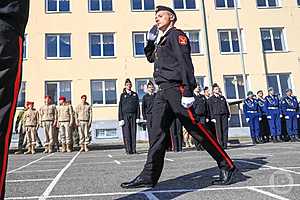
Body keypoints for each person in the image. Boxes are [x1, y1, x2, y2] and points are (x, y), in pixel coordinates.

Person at [121, 6, 238, 189]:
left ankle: (227, 165)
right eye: (156, 16)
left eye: (160, 15)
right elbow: (151, 58)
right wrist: (150, 42)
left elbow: (185, 62)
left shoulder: (177, 35)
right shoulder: (162, 39)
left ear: (172, 17)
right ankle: (148, 176)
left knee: (196, 130)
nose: (157, 19)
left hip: (177, 89)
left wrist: (189, 90)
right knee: (157, 133)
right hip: (162, 91)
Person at [118, 79, 141, 154]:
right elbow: (120, 107)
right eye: (127, 84)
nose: (129, 86)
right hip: (125, 116)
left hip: (133, 115)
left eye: (130, 84)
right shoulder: (123, 95)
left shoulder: (135, 94)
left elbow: (138, 106)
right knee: (127, 133)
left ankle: (133, 149)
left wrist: (138, 117)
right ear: (125, 86)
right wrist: (120, 118)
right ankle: (128, 149)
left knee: (133, 133)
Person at [208, 83, 231, 149]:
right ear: (213, 91)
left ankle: (225, 144)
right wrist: (212, 117)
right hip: (216, 116)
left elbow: (226, 106)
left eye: (218, 89)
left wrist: (228, 115)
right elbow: (210, 109)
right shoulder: (211, 99)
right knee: (219, 130)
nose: (217, 90)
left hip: (224, 115)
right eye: (216, 89)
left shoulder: (222, 97)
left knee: (225, 129)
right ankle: (220, 144)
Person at [193, 85, 209, 151]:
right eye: (197, 87)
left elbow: (206, 107)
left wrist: (207, 116)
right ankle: (197, 145)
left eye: (199, 87)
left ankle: (202, 145)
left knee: (203, 131)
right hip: (195, 116)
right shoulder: (192, 96)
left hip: (203, 116)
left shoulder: (202, 97)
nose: (198, 88)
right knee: (196, 131)